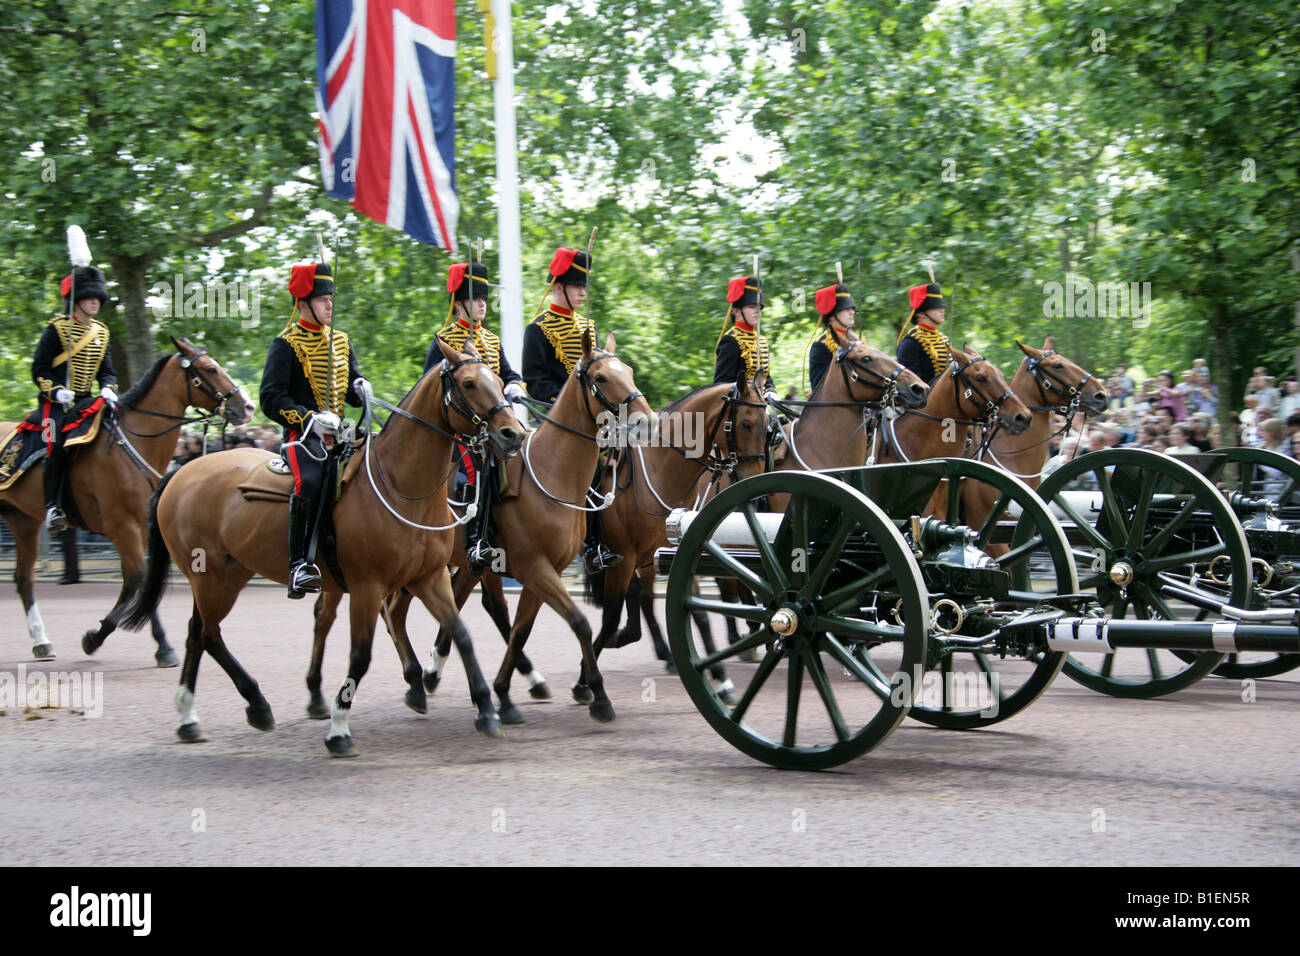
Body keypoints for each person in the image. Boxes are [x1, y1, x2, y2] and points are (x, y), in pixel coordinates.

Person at [260, 262, 369, 599]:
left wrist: (361, 387)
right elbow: (271, 397)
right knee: (309, 480)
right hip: (304, 437)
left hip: (344, 436)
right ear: (303, 303)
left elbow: (349, 388)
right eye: (322, 299)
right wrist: (308, 419)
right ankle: (299, 564)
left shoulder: (341, 340)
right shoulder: (286, 344)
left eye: (330, 298)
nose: (330, 305)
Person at [521, 247, 619, 573]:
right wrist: (568, 406)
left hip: (592, 422)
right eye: (577, 286)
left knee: (611, 466)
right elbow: (535, 383)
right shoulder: (537, 329)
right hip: (555, 422)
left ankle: (596, 545)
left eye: (584, 286)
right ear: (559, 287)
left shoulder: (588, 328)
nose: (582, 292)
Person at [427, 261, 525, 573]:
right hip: (461, 431)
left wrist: (513, 386)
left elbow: (511, 374)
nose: (483, 303)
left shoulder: (492, 340)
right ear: (459, 304)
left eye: (484, 298)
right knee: (478, 470)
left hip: (494, 428)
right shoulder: (445, 339)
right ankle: (476, 543)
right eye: (475, 298)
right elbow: (429, 387)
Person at [32, 260, 117, 531]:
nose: (94, 302)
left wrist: (108, 388)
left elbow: (108, 371)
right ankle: (52, 508)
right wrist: (57, 392)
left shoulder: (102, 332)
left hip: (87, 400)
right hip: (54, 403)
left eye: (97, 297)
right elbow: (39, 369)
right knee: (54, 445)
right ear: (76, 300)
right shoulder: (56, 329)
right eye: (88, 297)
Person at [714, 274, 775, 390]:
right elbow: (721, 384)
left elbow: (766, 377)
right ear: (736, 312)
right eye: (752, 307)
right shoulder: (730, 341)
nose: (757, 311)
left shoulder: (762, 340)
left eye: (759, 307)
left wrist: (771, 390)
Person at [896, 279, 951, 384]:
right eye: (936, 307)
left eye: (942, 306)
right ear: (921, 314)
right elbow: (911, 385)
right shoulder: (910, 343)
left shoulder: (943, 339)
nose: (942, 310)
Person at [807, 281, 856, 394]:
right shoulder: (821, 346)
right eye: (846, 308)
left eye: (852, 308)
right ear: (832, 316)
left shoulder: (859, 341)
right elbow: (819, 388)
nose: (852, 312)